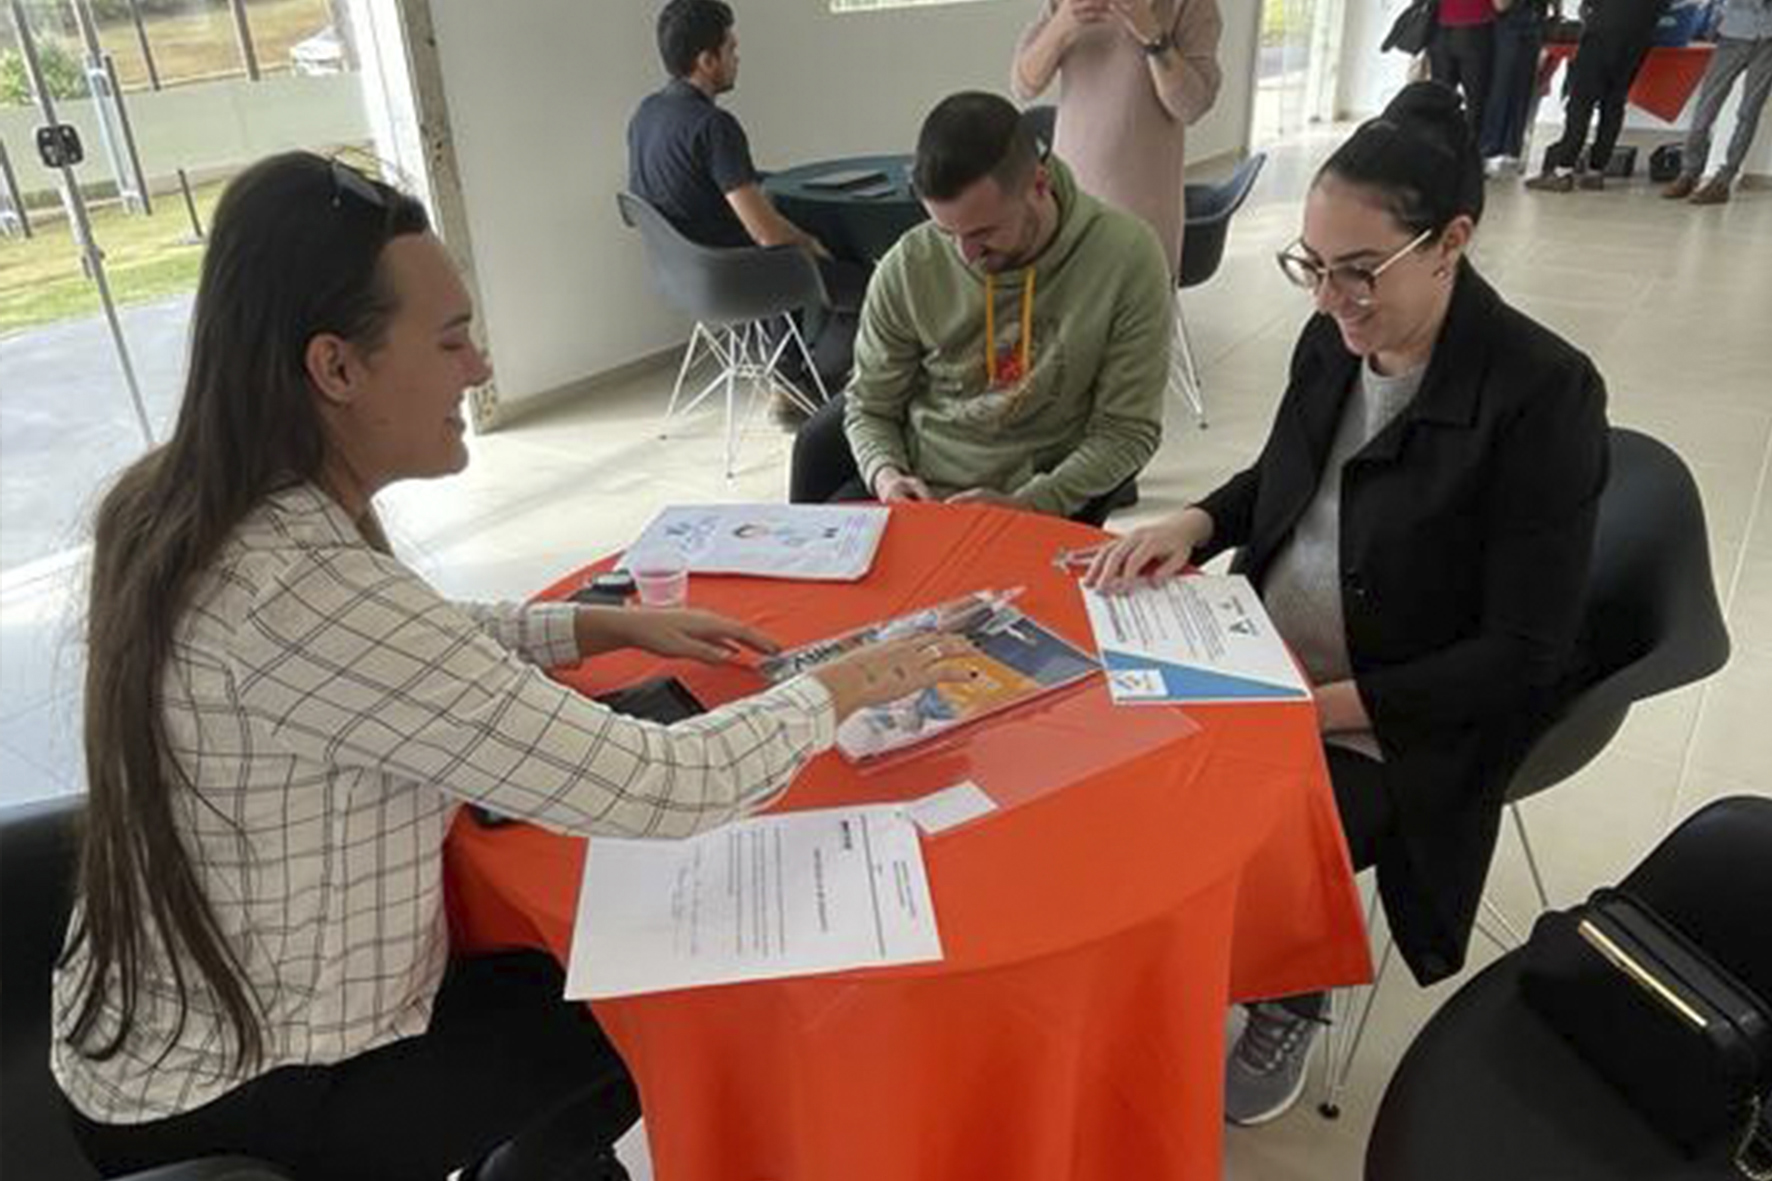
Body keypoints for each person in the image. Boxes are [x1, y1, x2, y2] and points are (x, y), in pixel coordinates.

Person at [50, 152, 972, 1181]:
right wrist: (838, 684)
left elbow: (412, 640)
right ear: (334, 368)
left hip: (140, 1036)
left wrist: (593, 627)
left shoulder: (185, 502)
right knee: (652, 1006)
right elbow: (661, 785)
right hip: (251, 1094)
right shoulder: (302, 589)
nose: (480, 367)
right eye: (450, 341)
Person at [1086, 83, 1609, 1126]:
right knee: (1113, 769)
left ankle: (1290, 974)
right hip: (1262, 650)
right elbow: (1284, 476)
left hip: (1399, 705)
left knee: (1243, 828)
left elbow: (1520, 654)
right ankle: (1175, 962)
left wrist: (1312, 706)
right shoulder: (1330, 333)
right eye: (1312, 268)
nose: (1331, 298)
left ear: (1450, 239)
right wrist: (1192, 522)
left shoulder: (1540, 393)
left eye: (1360, 270)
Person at [789, 91, 1171, 527]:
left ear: (1039, 185)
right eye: (946, 230)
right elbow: (871, 406)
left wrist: (1032, 505)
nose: (966, 254)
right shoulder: (910, 264)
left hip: (1041, 502)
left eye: (983, 231)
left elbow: (1127, 431)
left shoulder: (1126, 257)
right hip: (919, 493)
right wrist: (887, 477)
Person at [626, 0, 865, 390]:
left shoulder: (646, 114)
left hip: (684, 276)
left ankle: (786, 373)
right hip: (739, 279)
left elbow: (708, 189)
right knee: (870, 289)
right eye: (731, 49)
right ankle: (809, 387)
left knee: (795, 245)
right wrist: (811, 242)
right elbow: (766, 234)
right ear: (707, 60)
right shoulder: (714, 126)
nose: (738, 57)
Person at [1010, 0, 1223, 274]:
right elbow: (1023, 85)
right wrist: (1062, 24)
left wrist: (1152, 36)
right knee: (1069, 309)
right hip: (1068, 206)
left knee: (1139, 307)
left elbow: (1191, 106)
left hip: (1144, 214)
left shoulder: (1192, 5)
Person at [1525, 0, 1672, 191]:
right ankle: (1596, 172)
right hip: (1639, 36)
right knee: (1613, 103)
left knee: (1581, 102)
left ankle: (1562, 171)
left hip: (1603, 31)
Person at [1661, 0, 1772, 205]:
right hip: (1732, 35)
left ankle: (1723, 181)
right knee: (1706, 108)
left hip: (1768, 40)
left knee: (1748, 113)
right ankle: (1689, 173)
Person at [1481, 0, 1556, 172]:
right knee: (1516, 90)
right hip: (1526, 25)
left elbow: (1500, 5)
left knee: (1505, 88)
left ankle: (1495, 148)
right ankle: (1506, 149)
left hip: (1514, 26)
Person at [1431, 0, 1506, 139]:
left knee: (1440, 99)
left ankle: (1440, 150)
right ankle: (1468, 152)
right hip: (1476, 30)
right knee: (1476, 101)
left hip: (1440, 30)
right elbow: (1501, 5)